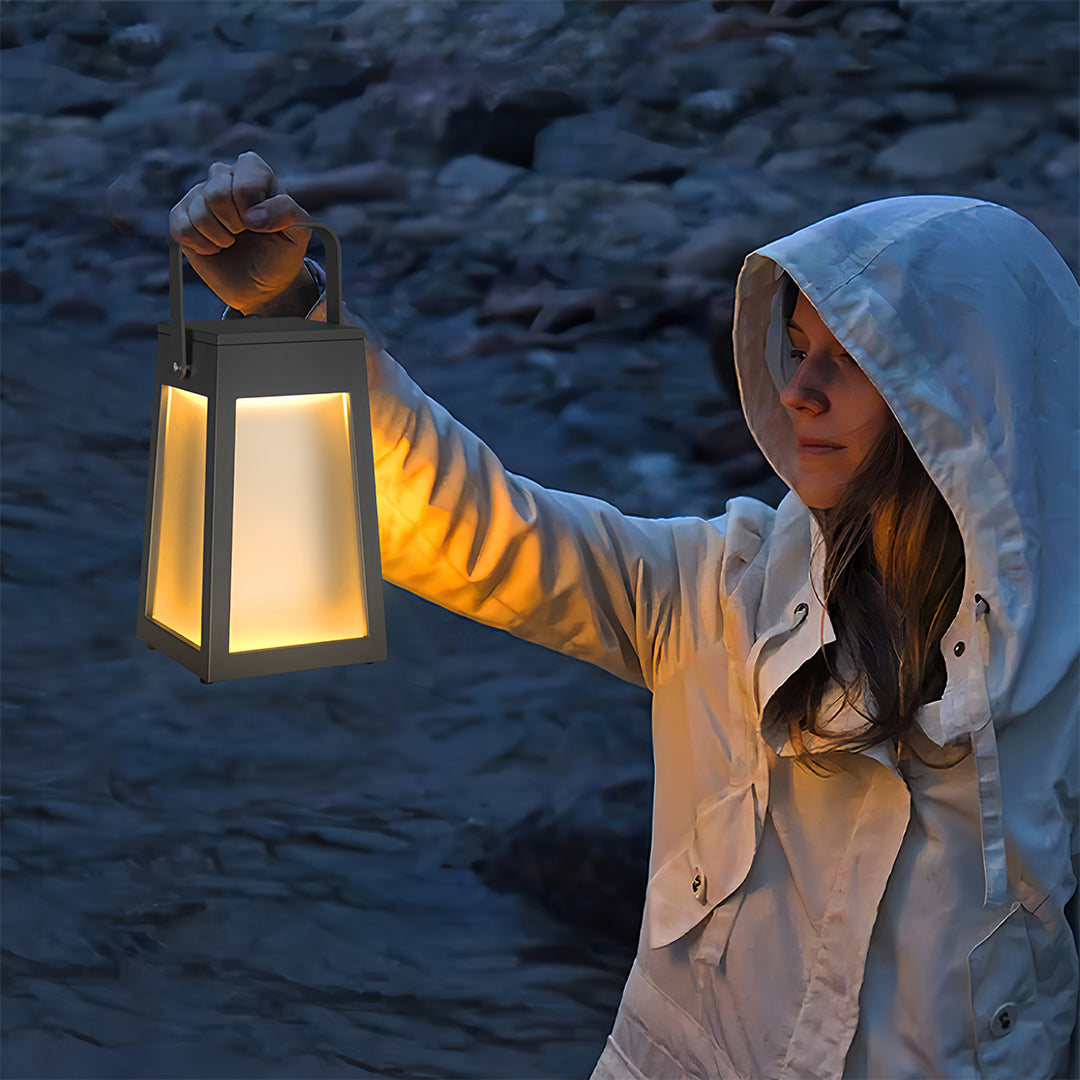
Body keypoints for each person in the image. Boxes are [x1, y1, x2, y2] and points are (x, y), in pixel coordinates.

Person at [171, 151, 1079, 1079]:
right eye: (798, 348)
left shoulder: (1065, 673)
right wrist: (287, 321)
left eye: (849, 362)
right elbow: (478, 526)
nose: (798, 390)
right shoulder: (719, 594)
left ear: (968, 398)